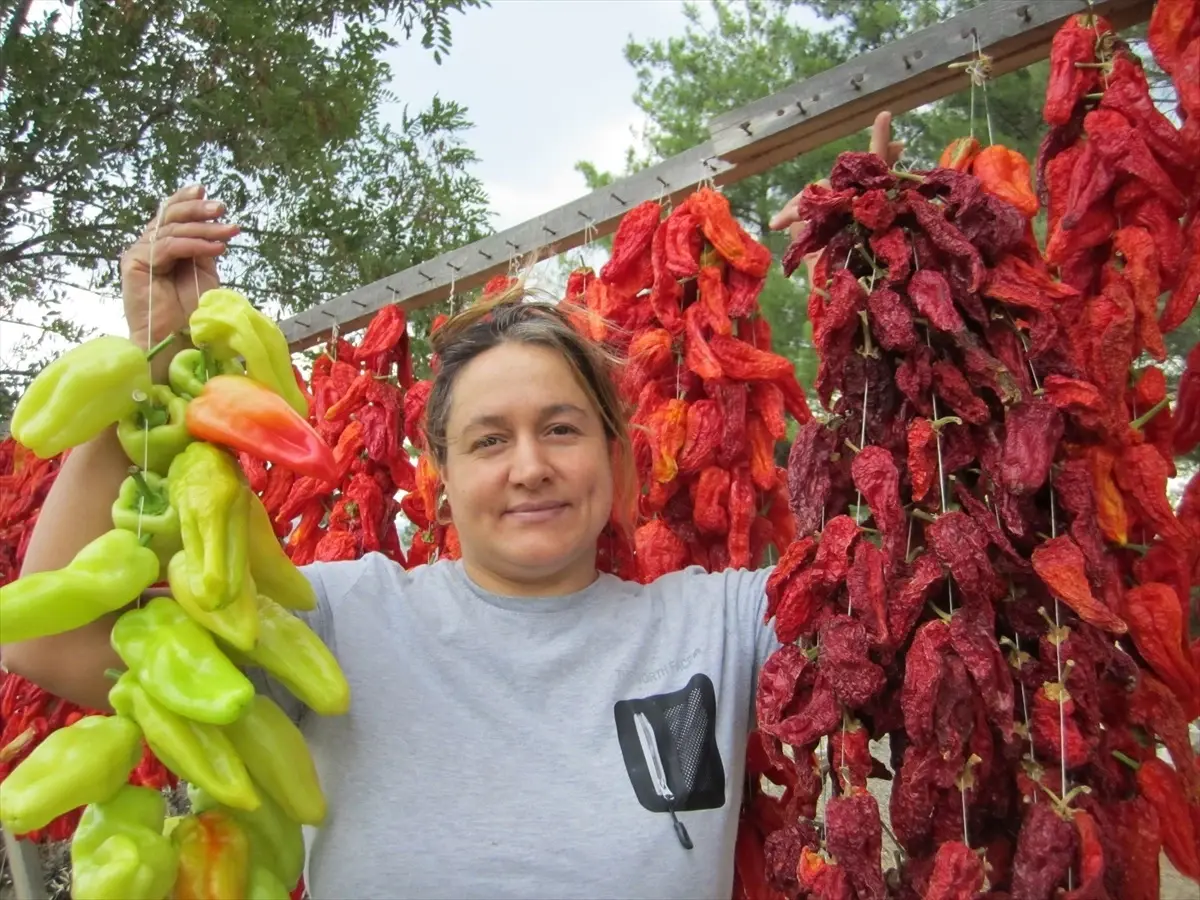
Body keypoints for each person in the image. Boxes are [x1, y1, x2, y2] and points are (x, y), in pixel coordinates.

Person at [1, 113, 902, 899]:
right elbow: (47, 640)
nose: (529, 468)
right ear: (436, 470)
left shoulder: (722, 621)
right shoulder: (346, 618)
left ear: (614, 452)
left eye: (562, 429)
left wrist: (893, 291)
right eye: (488, 440)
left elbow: (909, 596)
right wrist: (144, 380)